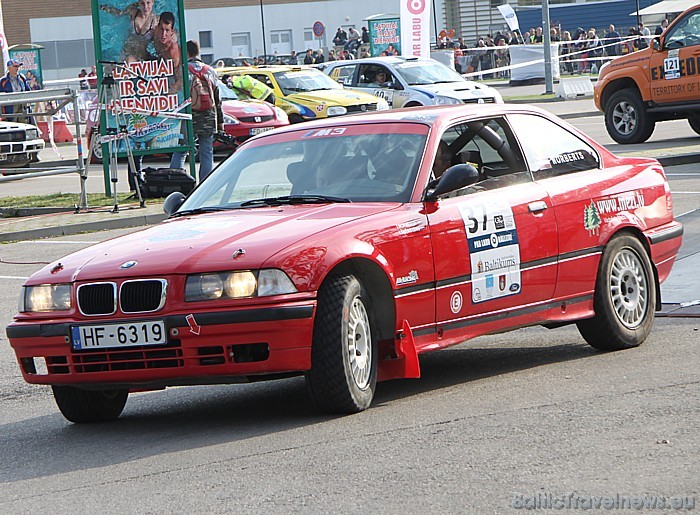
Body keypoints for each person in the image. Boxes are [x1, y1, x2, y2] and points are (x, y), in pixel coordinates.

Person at [170, 40, 223, 182]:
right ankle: (205, 185)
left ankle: (176, 182)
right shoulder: (210, 70)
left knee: (181, 150)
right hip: (208, 116)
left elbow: (176, 94)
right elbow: (217, 99)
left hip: (188, 116)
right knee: (207, 152)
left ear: (185, 52)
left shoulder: (182, 70)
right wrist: (220, 122)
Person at [152, 11, 182, 93]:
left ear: (172, 31)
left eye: (167, 30)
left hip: (169, 67)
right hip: (157, 58)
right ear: (158, 27)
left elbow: (179, 78)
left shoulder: (172, 50)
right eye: (161, 29)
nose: (163, 34)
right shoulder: (155, 31)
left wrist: (171, 92)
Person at [0, 60, 34, 124]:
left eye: (18, 66)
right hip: (10, 107)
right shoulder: (3, 81)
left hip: (22, 105)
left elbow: (28, 91)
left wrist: (28, 102)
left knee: (24, 124)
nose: (17, 68)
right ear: (9, 68)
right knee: (13, 125)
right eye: (15, 66)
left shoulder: (22, 78)